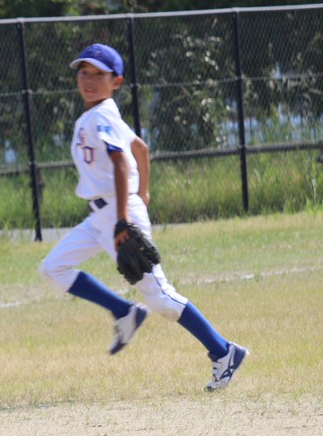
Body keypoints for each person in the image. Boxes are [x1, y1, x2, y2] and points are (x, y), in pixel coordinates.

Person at [38, 43, 248, 391]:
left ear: (116, 81)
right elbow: (141, 149)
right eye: (84, 72)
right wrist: (143, 193)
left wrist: (124, 219)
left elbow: (123, 161)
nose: (88, 80)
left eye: (98, 74)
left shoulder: (102, 115)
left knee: (160, 297)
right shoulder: (103, 114)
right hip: (101, 217)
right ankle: (124, 312)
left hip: (117, 213)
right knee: (53, 268)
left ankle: (224, 351)